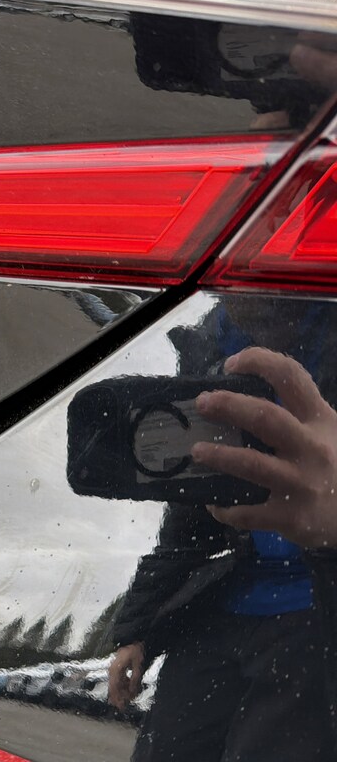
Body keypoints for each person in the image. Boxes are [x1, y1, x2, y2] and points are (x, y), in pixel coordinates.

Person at [108, 306, 337, 761]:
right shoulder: (208, 344)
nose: (264, 299)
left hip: (314, 615)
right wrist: (137, 631)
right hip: (216, 605)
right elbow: (188, 513)